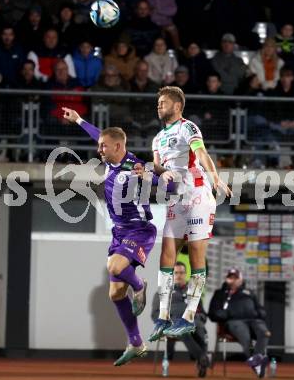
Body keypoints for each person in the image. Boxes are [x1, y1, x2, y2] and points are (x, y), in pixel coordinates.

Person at [61, 107, 173, 366]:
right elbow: (100, 135)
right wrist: (78, 120)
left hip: (139, 229)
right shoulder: (112, 158)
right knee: (114, 294)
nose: (99, 148)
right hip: (119, 232)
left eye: (103, 146)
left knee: (115, 266)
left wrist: (157, 176)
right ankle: (136, 343)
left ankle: (140, 286)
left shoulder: (134, 165)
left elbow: (163, 182)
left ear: (118, 146)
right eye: (100, 145)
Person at [145, 86, 232, 341]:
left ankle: (190, 316)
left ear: (177, 106)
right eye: (158, 102)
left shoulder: (188, 127)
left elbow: (201, 152)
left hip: (198, 195)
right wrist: (151, 169)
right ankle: (163, 316)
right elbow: (160, 166)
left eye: (163, 102)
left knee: (195, 254)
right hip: (176, 198)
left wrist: (215, 177)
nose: (159, 106)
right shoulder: (157, 137)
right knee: (167, 253)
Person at [208, 268, 270, 378]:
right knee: (246, 338)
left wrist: (257, 313)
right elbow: (213, 313)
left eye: (236, 278)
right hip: (234, 322)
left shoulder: (249, 293)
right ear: (227, 279)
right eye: (230, 278)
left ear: (241, 280)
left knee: (264, 333)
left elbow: (261, 310)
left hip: (254, 320)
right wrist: (227, 314)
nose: (233, 280)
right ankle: (257, 364)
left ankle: (255, 361)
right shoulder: (220, 293)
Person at [151, 261, 209, 378]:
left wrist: (200, 318)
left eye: (181, 272)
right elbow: (155, 314)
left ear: (185, 274)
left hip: (193, 321)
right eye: (176, 272)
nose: (178, 275)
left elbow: (202, 312)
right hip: (173, 323)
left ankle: (200, 360)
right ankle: (203, 358)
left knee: (201, 329)